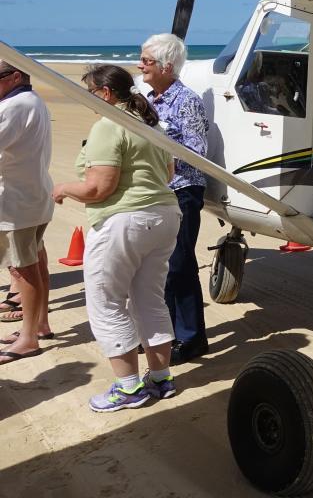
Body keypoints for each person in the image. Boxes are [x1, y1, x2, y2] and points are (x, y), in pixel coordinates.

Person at [52, 65, 181, 410]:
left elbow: (99, 187)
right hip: (165, 216)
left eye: (90, 93)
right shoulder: (151, 124)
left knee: (105, 301)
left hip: (124, 222)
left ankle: (128, 387)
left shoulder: (109, 125)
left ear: (106, 93)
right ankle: (161, 378)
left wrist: (64, 187)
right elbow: (168, 173)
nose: (89, 101)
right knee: (149, 298)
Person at [139, 33, 210, 365]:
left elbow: (197, 152)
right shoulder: (149, 99)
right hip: (156, 192)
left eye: (147, 61)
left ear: (167, 66)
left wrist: (159, 154)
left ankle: (192, 338)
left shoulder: (187, 101)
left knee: (180, 265)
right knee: (158, 266)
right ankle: (163, 334)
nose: (140, 66)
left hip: (182, 191)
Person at [0, 61, 54, 364]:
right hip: (33, 195)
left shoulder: (15, 106)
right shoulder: (33, 101)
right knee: (36, 262)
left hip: (17, 200)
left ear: (15, 76)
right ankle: (38, 325)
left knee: (24, 268)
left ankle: (29, 337)